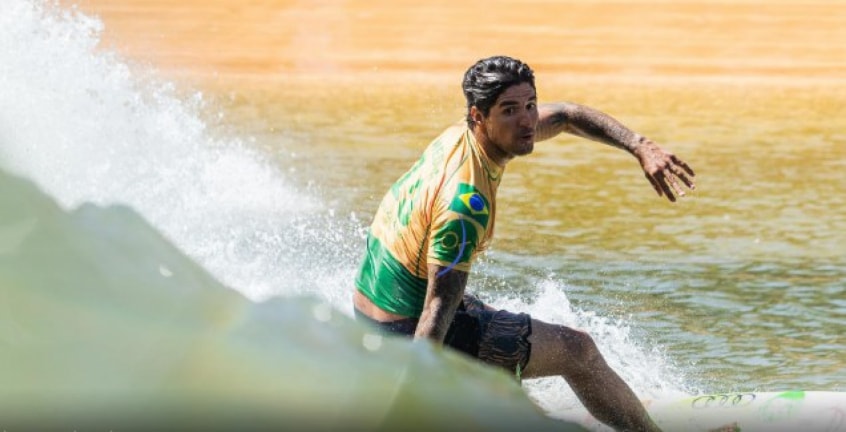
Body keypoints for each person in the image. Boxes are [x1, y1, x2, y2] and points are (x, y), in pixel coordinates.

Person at [352, 55, 695, 432]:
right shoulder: (465, 204)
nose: (528, 121)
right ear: (478, 116)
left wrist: (639, 145)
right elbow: (437, 307)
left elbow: (566, 115)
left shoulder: (461, 136)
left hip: (372, 307)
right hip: (404, 327)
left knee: (502, 343)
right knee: (575, 351)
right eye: (510, 110)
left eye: (530, 105)